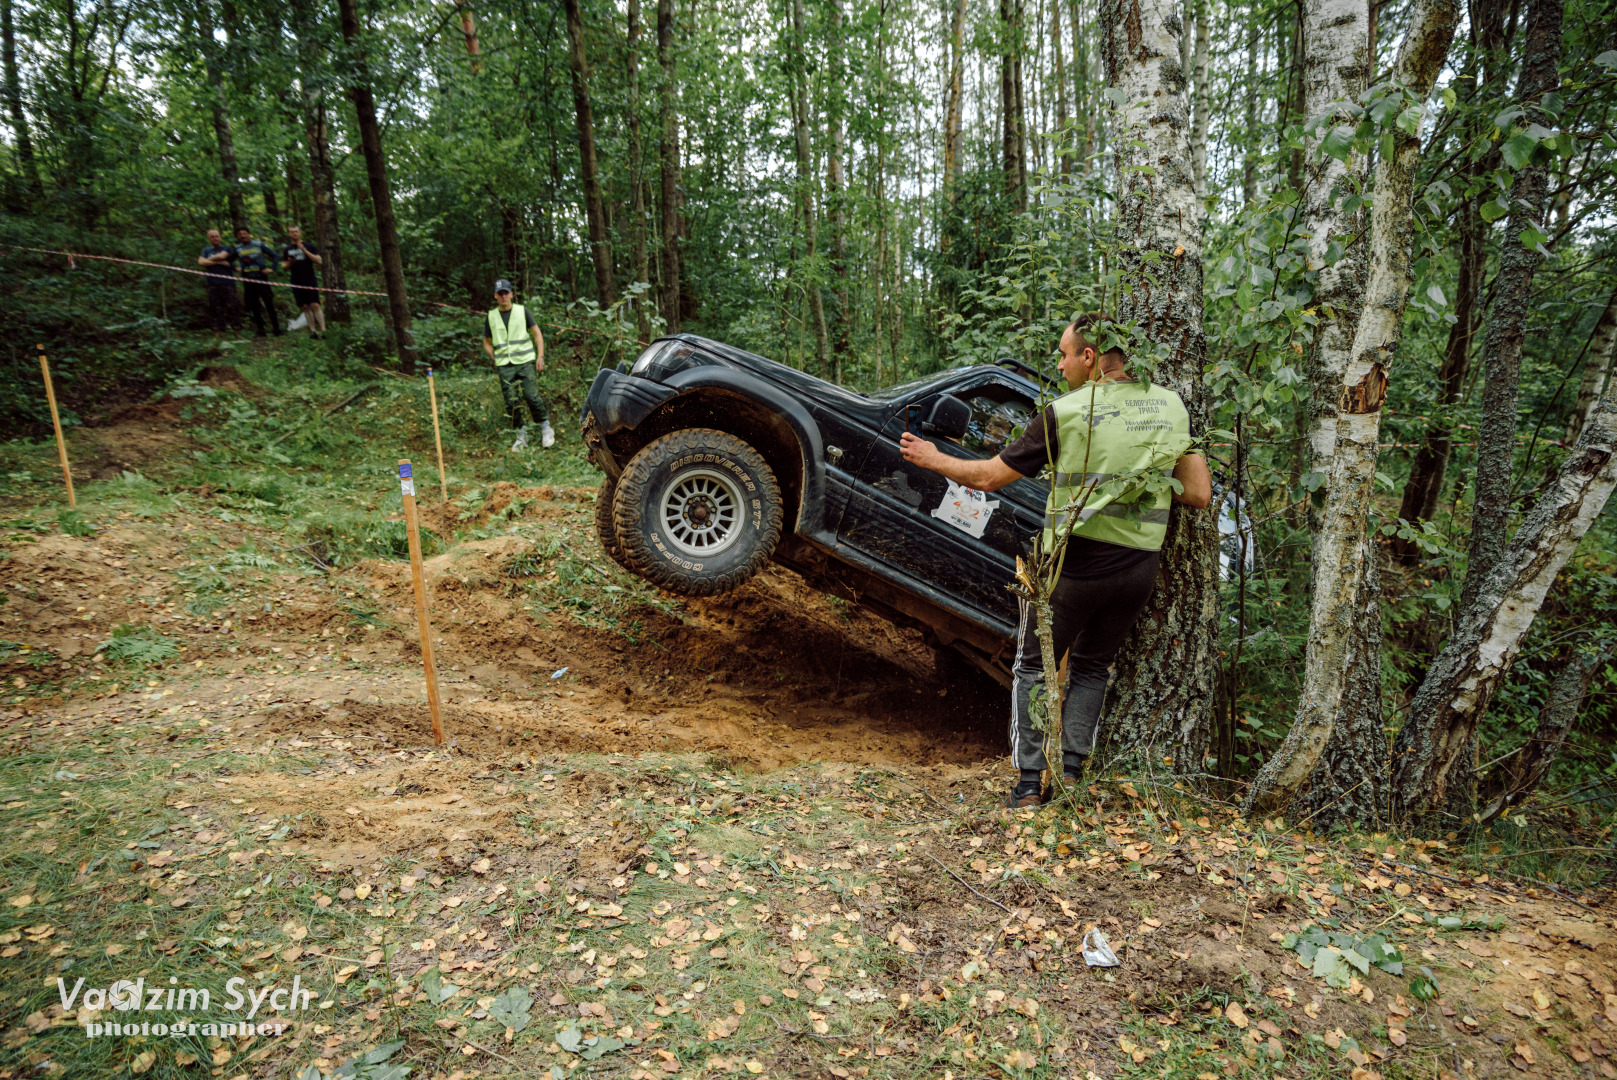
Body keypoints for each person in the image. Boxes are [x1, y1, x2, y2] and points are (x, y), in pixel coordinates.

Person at [899, 314, 1213, 809]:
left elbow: (986, 478)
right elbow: (1197, 494)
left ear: (1090, 357)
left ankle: (1027, 786)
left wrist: (930, 456)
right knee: (1093, 668)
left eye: (1065, 354)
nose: (1061, 364)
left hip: (1074, 566)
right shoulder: (1170, 405)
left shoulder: (1066, 412)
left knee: (1032, 668)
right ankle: (1070, 779)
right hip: (1138, 572)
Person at [483, 279, 553, 451]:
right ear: (495, 296)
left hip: (525, 361)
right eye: (500, 294)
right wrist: (493, 358)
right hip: (504, 365)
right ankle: (521, 434)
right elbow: (487, 341)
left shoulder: (522, 311)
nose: (503, 296)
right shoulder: (491, 316)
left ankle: (545, 426)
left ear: (512, 294)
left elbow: (537, 334)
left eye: (506, 293)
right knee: (510, 401)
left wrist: (540, 357)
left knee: (531, 395)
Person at [234, 225, 282, 337]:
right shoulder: (237, 248)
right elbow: (229, 260)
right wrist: (235, 268)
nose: (242, 236)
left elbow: (275, 255)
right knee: (254, 305)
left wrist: (272, 269)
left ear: (249, 234)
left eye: (244, 233)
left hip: (261, 278)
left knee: (269, 303)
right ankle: (261, 330)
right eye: (240, 234)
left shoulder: (258, 244)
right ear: (237, 236)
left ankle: (276, 329)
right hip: (248, 280)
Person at [279, 225, 325, 338]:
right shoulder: (288, 249)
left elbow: (319, 260)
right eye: (291, 232)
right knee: (305, 306)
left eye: (296, 231)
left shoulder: (309, 246)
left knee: (315, 304)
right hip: (296, 280)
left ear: (300, 233)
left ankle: (323, 330)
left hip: (309, 278)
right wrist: (290, 262)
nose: (294, 234)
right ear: (289, 234)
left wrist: (304, 250)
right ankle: (313, 331)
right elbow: (284, 267)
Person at [196, 228, 239, 338]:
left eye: (216, 236)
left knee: (232, 307)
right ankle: (219, 332)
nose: (215, 238)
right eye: (212, 237)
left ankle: (236, 331)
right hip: (212, 283)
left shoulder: (226, 248)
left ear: (220, 237)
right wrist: (219, 262)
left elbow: (222, 256)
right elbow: (200, 262)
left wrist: (209, 261)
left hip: (227, 282)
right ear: (209, 238)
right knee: (215, 308)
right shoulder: (206, 250)